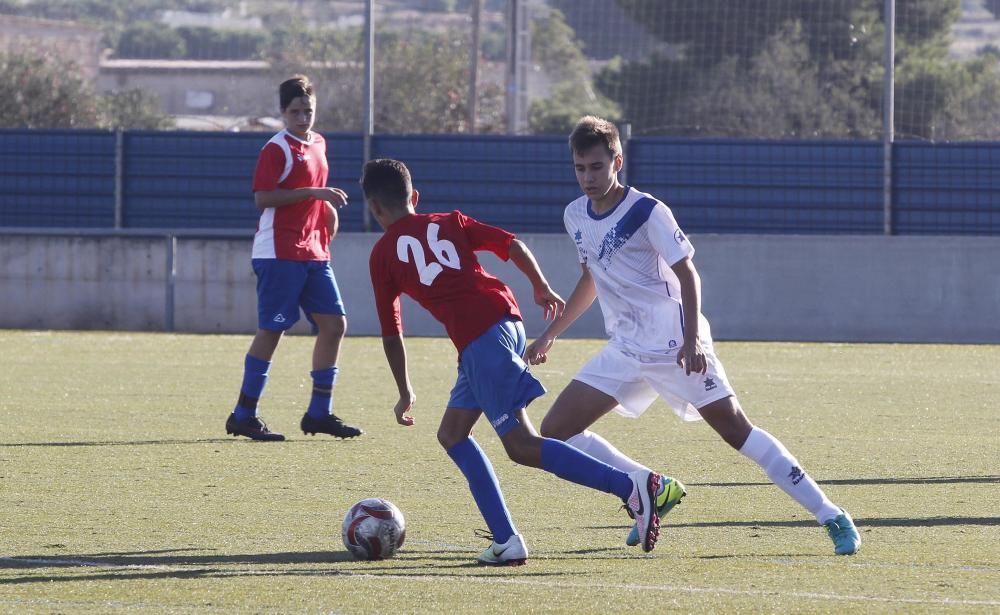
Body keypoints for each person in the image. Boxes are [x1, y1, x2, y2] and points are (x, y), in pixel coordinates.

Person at [525, 116, 861, 556]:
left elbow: (687, 273)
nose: (588, 177)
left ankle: (830, 514)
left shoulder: (647, 211)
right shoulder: (574, 215)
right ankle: (650, 488)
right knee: (556, 430)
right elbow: (590, 279)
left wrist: (692, 340)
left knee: (736, 430)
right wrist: (551, 334)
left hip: (672, 342)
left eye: (596, 167)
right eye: (579, 168)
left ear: (617, 162)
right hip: (626, 347)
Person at [361, 158, 664, 565]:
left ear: (374, 208)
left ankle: (629, 487)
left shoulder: (381, 255)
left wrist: (404, 389)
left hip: (482, 341)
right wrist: (540, 287)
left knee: (521, 445)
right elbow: (512, 245)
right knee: (452, 434)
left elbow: (391, 332)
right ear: (414, 197)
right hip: (501, 325)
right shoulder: (449, 220)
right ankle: (505, 540)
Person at [225, 75, 362, 442]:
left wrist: (326, 213)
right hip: (278, 252)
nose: (304, 118)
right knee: (273, 329)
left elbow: (315, 197)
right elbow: (263, 198)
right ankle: (243, 414)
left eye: (309, 111)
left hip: (314, 250)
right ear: (283, 113)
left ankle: (319, 413)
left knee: (335, 325)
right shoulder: (277, 148)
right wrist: (313, 192)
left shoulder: (318, 143)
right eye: (296, 111)